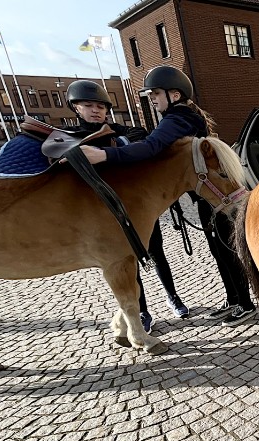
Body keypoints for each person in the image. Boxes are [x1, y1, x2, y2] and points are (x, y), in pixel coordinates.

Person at [78, 65, 256, 328]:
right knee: (219, 251)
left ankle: (245, 303)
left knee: (225, 251)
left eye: (156, 94)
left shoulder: (177, 118)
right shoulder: (182, 116)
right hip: (203, 195)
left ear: (173, 95)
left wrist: (105, 155)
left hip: (212, 195)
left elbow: (151, 147)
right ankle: (233, 299)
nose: (152, 99)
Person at [65, 79, 190, 334]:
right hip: (106, 214)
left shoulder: (121, 131)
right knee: (127, 263)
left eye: (100, 106)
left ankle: (172, 295)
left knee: (157, 253)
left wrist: (111, 148)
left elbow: (141, 138)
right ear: (76, 108)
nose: (95, 110)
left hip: (139, 208)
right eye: (88, 105)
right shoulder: (70, 139)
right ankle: (142, 310)